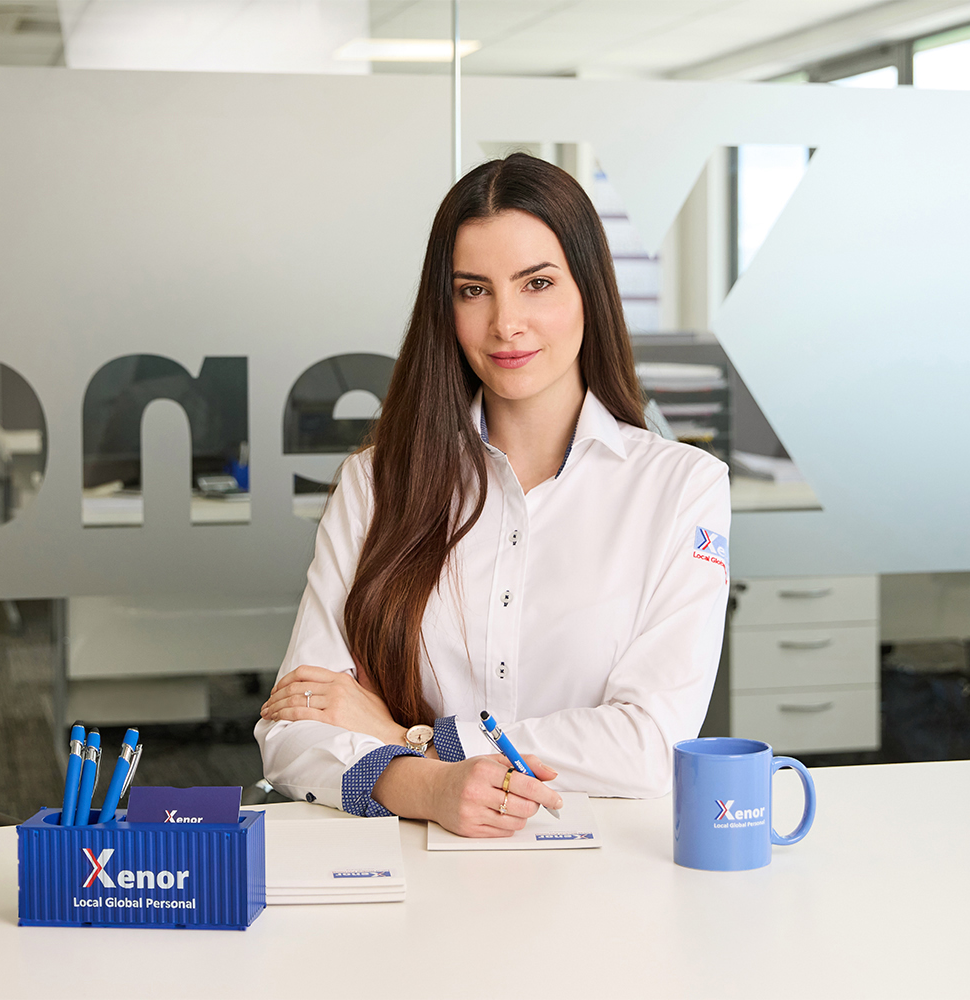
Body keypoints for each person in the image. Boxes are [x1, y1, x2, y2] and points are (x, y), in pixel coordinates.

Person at [253, 153, 731, 837]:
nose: (506, 323)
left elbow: (649, 745)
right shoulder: (376, 483)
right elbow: (295, 724)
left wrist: (423, 739)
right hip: (409, 871)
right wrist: (429, 785)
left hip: (604, 877)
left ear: (588, 292)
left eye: (537, 283)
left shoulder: (681, 490)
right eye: (473, 290)